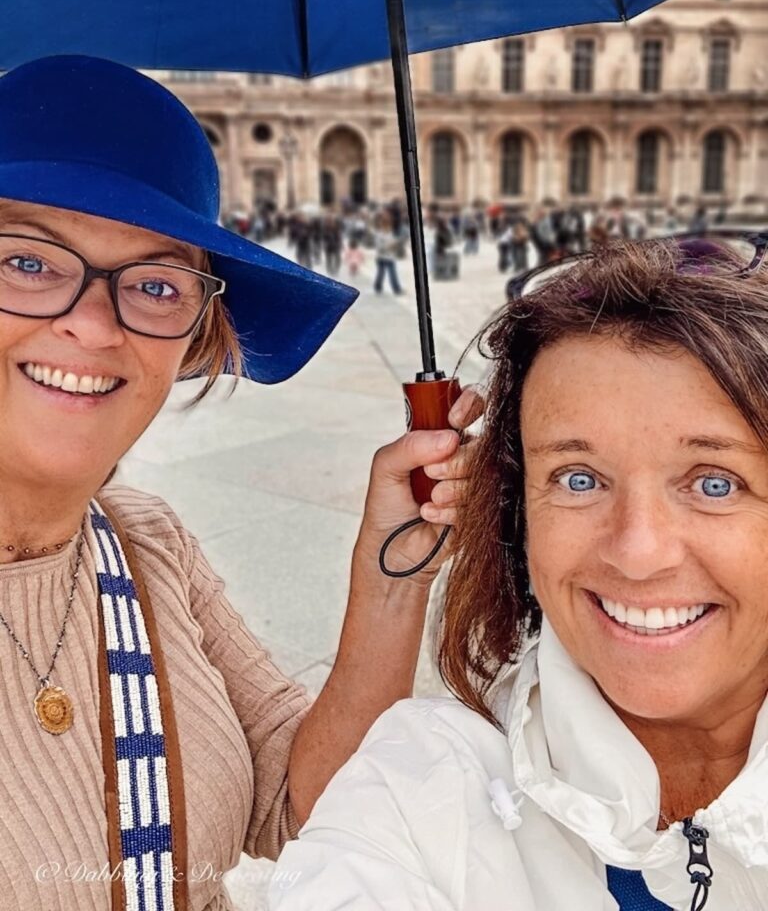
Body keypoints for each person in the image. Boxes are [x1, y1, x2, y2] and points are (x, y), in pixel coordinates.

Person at [0, 54, 481, 911]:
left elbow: (302, 798)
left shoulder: (147, 544)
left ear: (192, 334)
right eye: (29, 262)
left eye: (153, 283)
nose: (91, 325)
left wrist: (390, 575)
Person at [271, 235, 768, 909]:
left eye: (715, 483)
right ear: (516, 516)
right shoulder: (424, 789)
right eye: (579, 477)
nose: (638, 551)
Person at [372, 210, 404, 295]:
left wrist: (396, 244)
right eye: (387, 224)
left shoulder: (391, 232)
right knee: (381, 274)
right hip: (381, 257)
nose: (388, 225)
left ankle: (396, 289)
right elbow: (379, 248)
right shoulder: (379, 234)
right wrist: (390, 246)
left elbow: (394, 243)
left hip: (390, 257)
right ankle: (377, 287)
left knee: (393, 274)